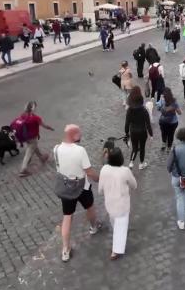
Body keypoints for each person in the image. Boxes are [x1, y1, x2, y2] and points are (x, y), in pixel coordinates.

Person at [54, 124, 103, 262]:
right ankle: (94, 227)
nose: (81, 135)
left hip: (65, 187)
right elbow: (89, 171)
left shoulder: (56, 149)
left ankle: (65, 249)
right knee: (90, 207)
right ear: (74, 134)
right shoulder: (80, 150)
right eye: (79, 133)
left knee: (67, 216)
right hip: (82, 186)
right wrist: (99, 179)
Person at [98, 148, 138, 260]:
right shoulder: (125, 171)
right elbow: (134, 185)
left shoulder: (104, 169)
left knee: (115, 222)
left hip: (110, 203)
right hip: (122, 204)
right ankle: (116, 251)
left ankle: (117, 243)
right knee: (121, 226)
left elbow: (100, 189)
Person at [17, 101, 54, 177]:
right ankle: (23, 169)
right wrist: (50, 128)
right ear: (33, 108)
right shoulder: (35, 118)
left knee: (33, 147)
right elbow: (44, 125)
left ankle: (42, 157)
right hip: (32, 137)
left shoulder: (23, 115)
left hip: (25, 137)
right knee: (29, 152)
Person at [125, 87, 153, 169]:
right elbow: (148, 124)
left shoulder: (129, 111)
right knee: (142, 148)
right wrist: (151, 134)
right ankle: (141, 164)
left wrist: (127, 133)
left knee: (134, 147)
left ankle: (131, 162)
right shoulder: (144, 110)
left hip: (133, 131)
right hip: (142, 132)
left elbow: (127, 123)